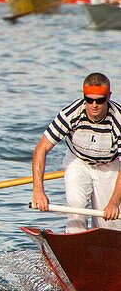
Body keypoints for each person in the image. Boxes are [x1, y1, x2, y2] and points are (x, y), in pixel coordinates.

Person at [32, 73, 121, 233]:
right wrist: (38, 191)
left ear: (108, 96)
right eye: (89, 100)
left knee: (109, 222)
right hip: (78, 162)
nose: (94, 105)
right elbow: (41, 149)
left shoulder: (118, 120)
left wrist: (114, 202)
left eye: (100, 100)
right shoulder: (70, 114)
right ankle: (74, 241)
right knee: (77, 207)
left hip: (109, 167)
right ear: (84, 97)